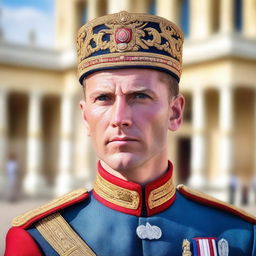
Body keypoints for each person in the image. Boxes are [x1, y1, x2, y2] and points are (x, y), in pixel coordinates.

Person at [4, 11, 256, 256]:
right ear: (85, 117)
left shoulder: (242, 236)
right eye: (103, 98)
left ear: (175, 113)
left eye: (140, 96)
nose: (119, 118)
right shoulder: (36, 241)